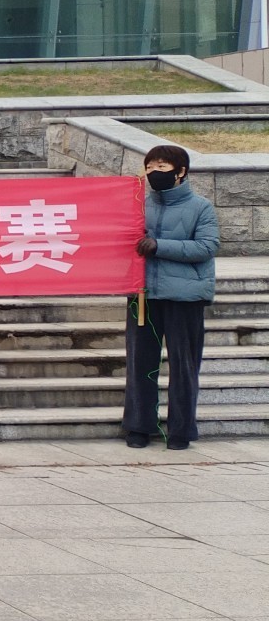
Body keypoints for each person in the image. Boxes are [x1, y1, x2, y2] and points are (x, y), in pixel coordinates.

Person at [126, 142, 218, 451]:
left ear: (181, 172)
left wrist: (159, 246)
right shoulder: (138, 205)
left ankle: (181, 430)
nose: (154, 173)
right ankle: (138, 427)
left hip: (185, 298)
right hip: (143, 296)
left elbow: (207, 246)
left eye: (162, 167)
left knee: (184, 367)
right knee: (140, 364)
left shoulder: (200, 207)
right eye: (150, 167)